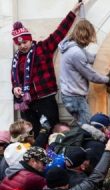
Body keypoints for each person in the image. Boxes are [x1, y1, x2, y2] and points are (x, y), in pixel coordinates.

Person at [10, 2, 82, 136]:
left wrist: (73, 12)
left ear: (30, 40)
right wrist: (15, 89)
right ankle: (37, 156)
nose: (22, 46)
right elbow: (14, 82)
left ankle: (53, 156)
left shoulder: (43, 48)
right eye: (19, 44)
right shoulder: (16, 60)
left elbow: (59, 32)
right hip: (28, 104)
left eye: (24, 42)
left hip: (46, 99)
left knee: (53, 131)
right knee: (34, 135)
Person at [59, 19, 110, 124]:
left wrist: (106, 57)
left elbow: (90, 58)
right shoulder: (76, 52)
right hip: (75, 98)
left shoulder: (73, 48)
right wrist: (108, 79)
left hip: (70, 96)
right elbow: (91, 75)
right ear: (85, 35)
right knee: (88, 128)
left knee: (82, 126)